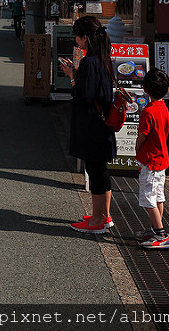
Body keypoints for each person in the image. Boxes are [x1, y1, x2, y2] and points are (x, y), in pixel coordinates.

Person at [60, 16, 116, 234]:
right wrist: (75, 72)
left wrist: (73, 77)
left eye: (77, 35)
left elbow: (83, 95)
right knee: (101, 170)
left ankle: (96, 221)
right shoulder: (102, 57)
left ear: (85, 37)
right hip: (101, 123)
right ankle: (104, 215)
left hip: (91, 123)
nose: (76, 40)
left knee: (95, 171)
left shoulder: (90, 62)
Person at [134, 69, 169, 249]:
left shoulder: (148, 112)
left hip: (150, 160)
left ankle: (160, 233)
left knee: (148, 197)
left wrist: (137, 148)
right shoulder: (164, 108)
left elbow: (142, 136)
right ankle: (156, 228)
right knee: (158, 196)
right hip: (161, 159)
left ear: (145, 90)